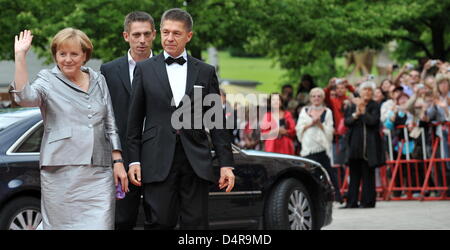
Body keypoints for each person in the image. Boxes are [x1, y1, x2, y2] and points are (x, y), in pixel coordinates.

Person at [126, 8, 235, 230]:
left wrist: (226, 164)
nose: (169, 38)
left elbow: (217, 122)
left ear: (189, 36)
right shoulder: (145, 69)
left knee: (197, 225)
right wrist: (134, 160)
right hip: (156, 159)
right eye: (165, 32)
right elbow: (134, 121)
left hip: (195, 159)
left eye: (176, 33)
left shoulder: (205, 71)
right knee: (159, 222)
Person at [10, 28, 128, 229]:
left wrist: (117, 160)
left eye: (74, 54)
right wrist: (20, 56)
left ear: (84, 55)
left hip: (99, 172)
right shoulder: (48, 79)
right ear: (55, 55)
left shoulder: (98, 79)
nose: (67, 59)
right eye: (62, 54)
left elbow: (109, 122)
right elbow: (24, 98)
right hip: (60, 172)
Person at [100, 11, 156, 230]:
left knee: (160, 218)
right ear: (126, 36)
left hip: (158, 156)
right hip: (120, 158)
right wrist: (115, 159)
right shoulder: (109, 70)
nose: (141, 40)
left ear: (154, 35)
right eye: (136, 35)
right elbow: (104, 116)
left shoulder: (166, 67)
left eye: (146, 34)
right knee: (121, 220)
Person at [296, 88, 342, 202]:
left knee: (328, 172)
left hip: (321, 148)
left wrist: (320, 124)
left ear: (322, 98)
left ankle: (336, 196)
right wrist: (311, 123)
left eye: (319, 96)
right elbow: (299, 128)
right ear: (310, 98)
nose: (316, 98)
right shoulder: (304, 111)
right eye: (314, 96)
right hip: (308, 147)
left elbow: (330, 130)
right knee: (308, 174)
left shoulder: (327, 111)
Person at [343, 81, 384, 208]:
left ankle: (368, 201)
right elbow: (347, 122)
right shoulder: (351, 106)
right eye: (365, 90)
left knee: (368, 175)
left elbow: (373, 122)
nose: (367, 92)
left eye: (370, 90)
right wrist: (356, 114)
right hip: (355, 145)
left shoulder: (374, 105)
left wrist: (363, 111)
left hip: (369, 146)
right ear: (360, 92)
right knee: (354, 175)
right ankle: (351, 202)